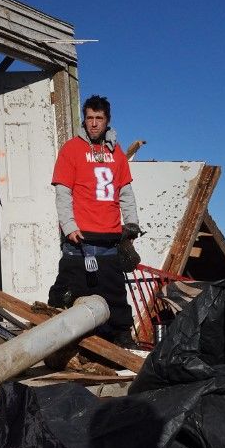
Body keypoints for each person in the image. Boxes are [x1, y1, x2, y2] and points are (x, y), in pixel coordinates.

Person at [47, 95, 140, 346]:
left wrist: (131, 223)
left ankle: (123, 346)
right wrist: (69, 227)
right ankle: (58, 346)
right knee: (66, 295)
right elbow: (63, 192)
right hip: (78, 240)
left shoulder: (117, 154)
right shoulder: (71, 149)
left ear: (107, 121)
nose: (94, 123)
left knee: (115, 298)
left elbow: (125, 191)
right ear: (84, 120)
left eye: (99, 118)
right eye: (90, 118)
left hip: (110, 241)